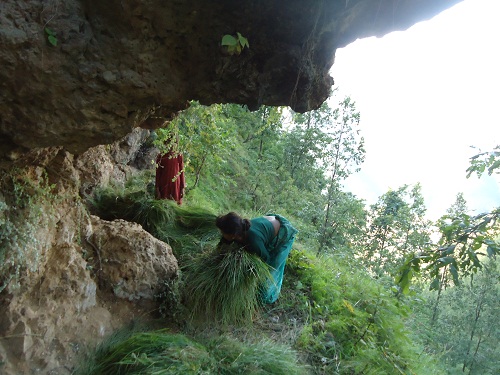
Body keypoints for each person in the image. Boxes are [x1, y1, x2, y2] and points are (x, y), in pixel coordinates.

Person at [215, 212, 298, 304]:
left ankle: (267, 296)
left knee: (273, 265)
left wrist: (252, 273)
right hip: (268, 224)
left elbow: (266, 260)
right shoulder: (237, 230)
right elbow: (222, 245)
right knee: (261, 247)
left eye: (223, 232)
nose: (221, 233)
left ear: (233, 234)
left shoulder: (253, 241)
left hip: (283, 230)